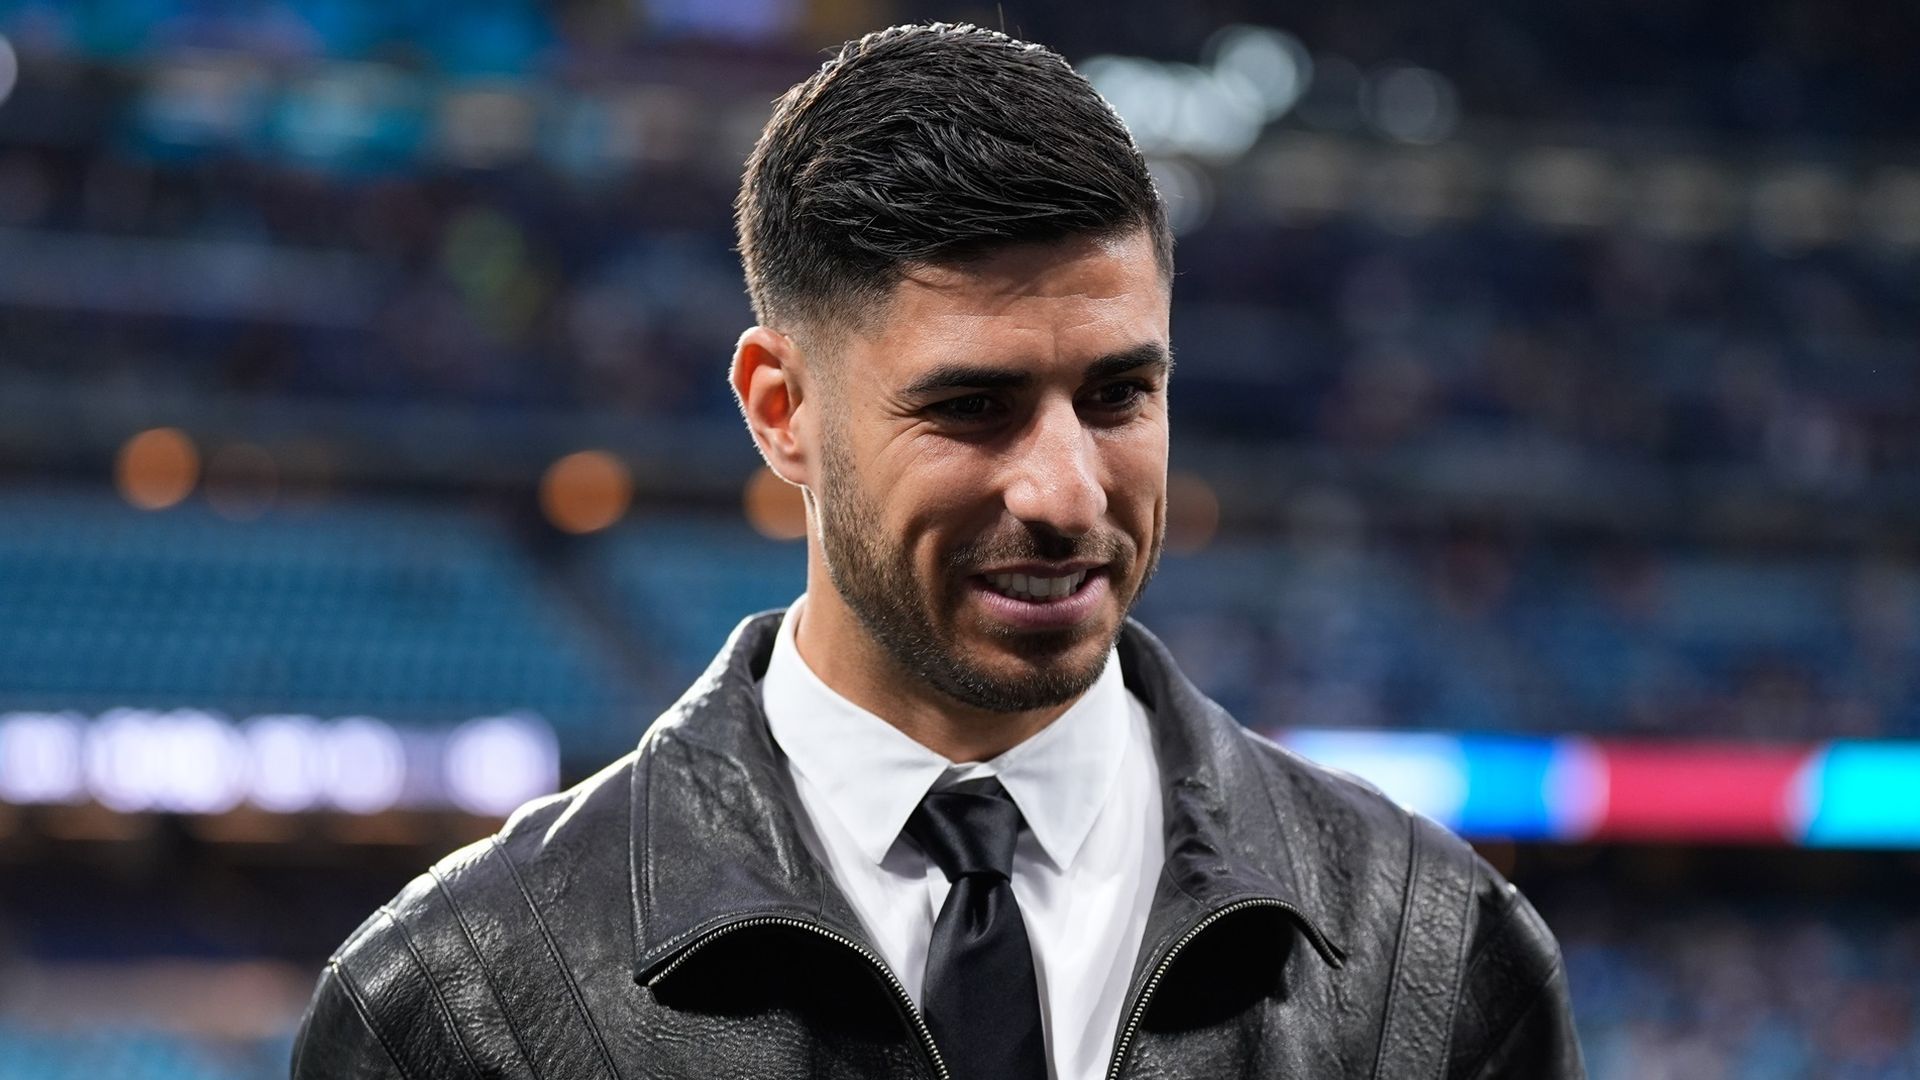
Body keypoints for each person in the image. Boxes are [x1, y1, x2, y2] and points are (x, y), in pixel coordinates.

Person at [291, 22, 1584, 1080]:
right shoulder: (456, 1010)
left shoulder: (1436, 958)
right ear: (782, 411)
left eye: (1120, 395)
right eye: (972, 406)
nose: (1067, 492)